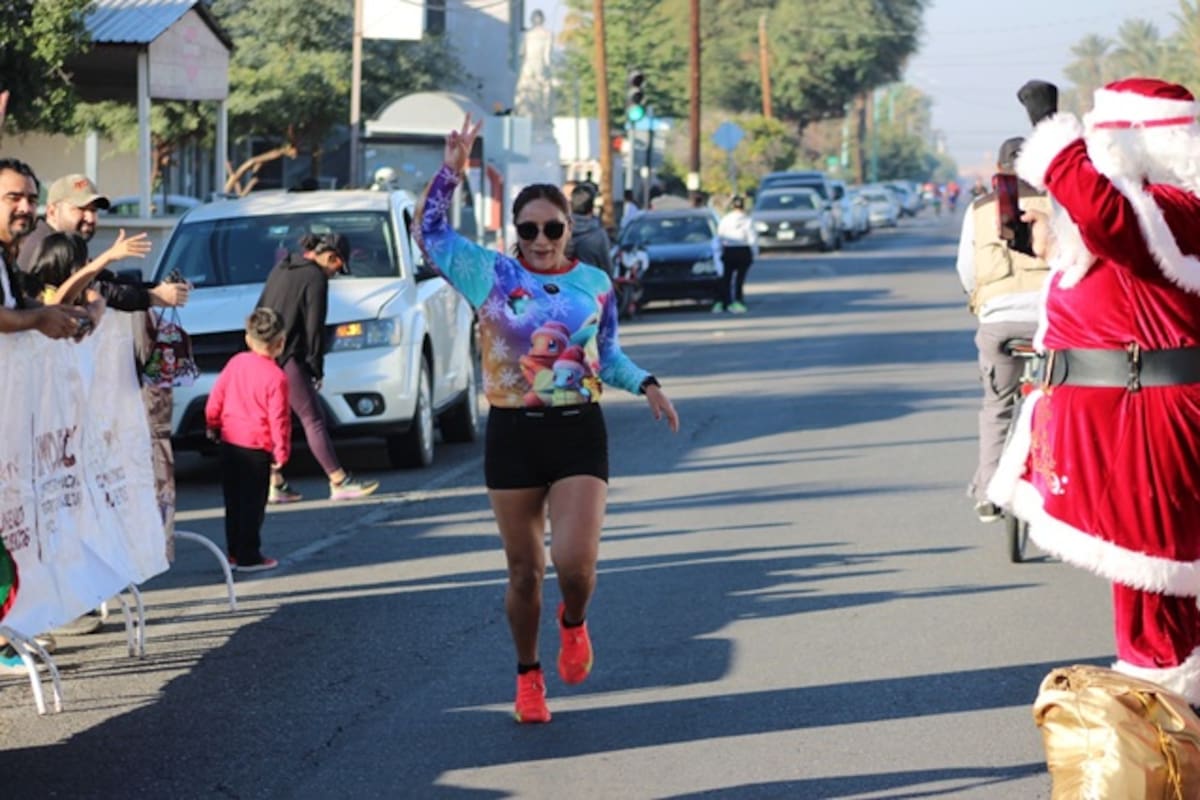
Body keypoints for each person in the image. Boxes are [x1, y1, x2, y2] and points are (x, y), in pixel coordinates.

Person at [415, 116, 679, 724]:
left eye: (551, 228)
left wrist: (646, 383)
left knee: (576, 565)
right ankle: (528, 675)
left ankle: (576, 622)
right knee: (525, 573)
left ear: (569, 229)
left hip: (577, 430)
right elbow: (429, 235)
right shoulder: (490, 273)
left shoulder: (593, 283)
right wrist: (450, 171)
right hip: (511, 434)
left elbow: (604, 353)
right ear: (516, 231)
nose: (539, 238)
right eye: (528, 228)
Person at [988, 77, 1200, 705]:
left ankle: (1166, 725)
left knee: (1156, 578)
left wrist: (1051, 133)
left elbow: (1107, 216)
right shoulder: (1156, 209)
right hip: (1130, 417)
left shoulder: (1173, 208)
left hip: (1152, 420)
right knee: (1151, 581)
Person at [955, 137, 1050, 522]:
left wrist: (982, 299)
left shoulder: (979, 209)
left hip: (1000, 322)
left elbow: (967, 270)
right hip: (1055, 319)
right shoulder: (1058, 202)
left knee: (997, 405)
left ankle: (989, 492)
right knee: (1070, 400)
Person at [256, 232, 379, 503]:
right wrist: (315, 368)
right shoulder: (315, 278)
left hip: (263, 356)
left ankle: (275, 483)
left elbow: (260, 307)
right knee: (313, 419)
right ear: (331, 257)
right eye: (338, 267)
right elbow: (314, 328)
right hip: (290, 356)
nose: (336, 273)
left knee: (274, 421)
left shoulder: (281, 267)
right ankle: (339, 480)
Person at [205, 308, 291, 572]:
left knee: (233, 501)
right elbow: (279, 419)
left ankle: (233, 551)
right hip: (256, 447)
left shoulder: (237, 363)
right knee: (253, 505)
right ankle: (249, 555)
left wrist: (212, 422)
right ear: (280, 343)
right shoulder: (277, 378)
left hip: (230, 441)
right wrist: (281, 452)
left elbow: (217, 396)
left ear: (248, 338)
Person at [715, 195, 758, 314]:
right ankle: (738, 300)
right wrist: (754, 253)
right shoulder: (747, 220)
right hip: (743, 250)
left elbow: (720, 236)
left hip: (729, 250)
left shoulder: (725, 219)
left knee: (726, 278)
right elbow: (752, 238)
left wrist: (719, 252)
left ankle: (725, 301)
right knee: (740, 278)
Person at [566, 183, 614, 277]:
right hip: (590, 287)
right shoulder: (599, 235)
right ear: (592, 208)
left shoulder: (559, 229)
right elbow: (607, 268)